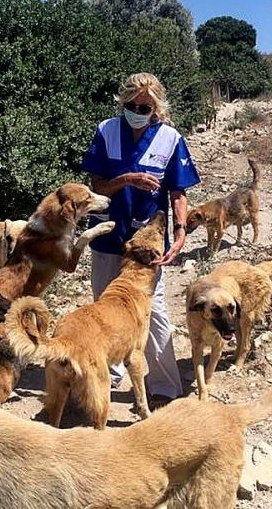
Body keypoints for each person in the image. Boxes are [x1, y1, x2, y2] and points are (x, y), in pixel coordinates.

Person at [80, 72, 201, 408]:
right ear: (123, 102)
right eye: (131, 105)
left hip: (146, 247)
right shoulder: (106, 131)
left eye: (145, 106)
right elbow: (97, 187)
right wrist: (127, 180)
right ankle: (109, 373)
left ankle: (164, 386)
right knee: (106, 309)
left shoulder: (170, 139)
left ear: (156, 108)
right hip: (109, 236)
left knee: (155, 313)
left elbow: (178, 193)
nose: (137, 110)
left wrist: (179, 233)